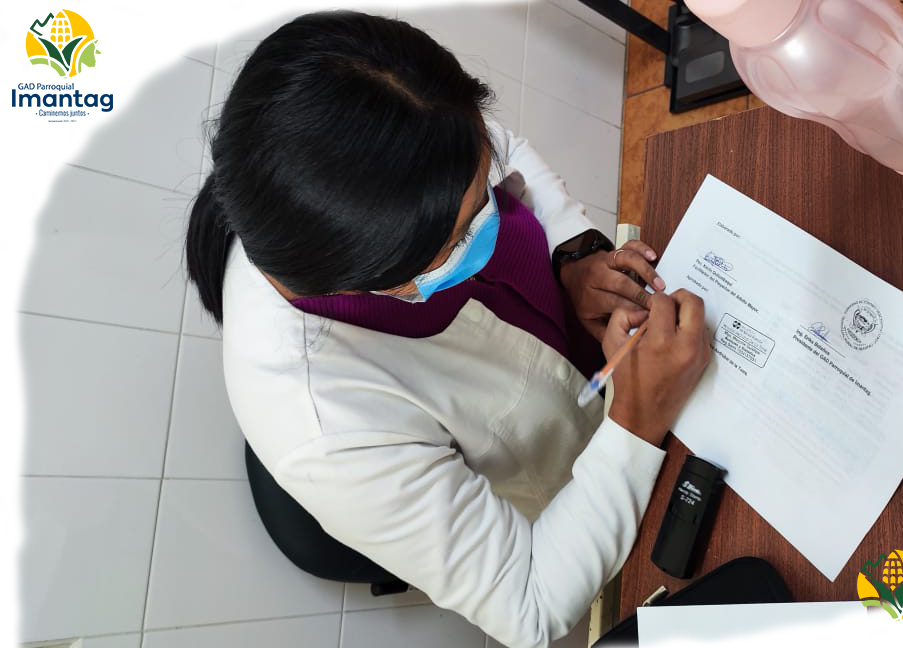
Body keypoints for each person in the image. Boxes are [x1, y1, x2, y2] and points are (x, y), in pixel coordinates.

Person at [185, 11, 710, 648]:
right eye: (461, 236)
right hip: (592, 461)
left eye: (486, 190)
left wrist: (572, 255)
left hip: (601, 360)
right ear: (365, 280)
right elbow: (531, 604)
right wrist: (633, 422)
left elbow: (503, 150)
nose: (493, 211)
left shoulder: (401, 129)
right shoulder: (321, 421)